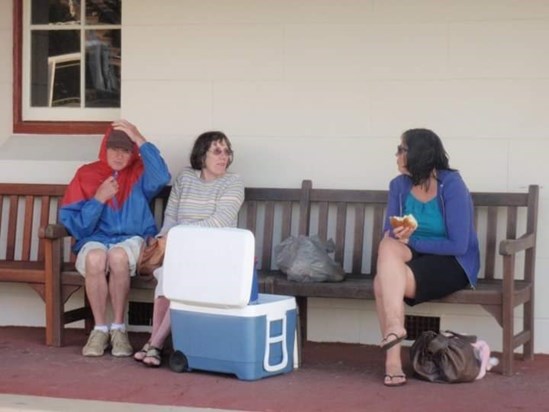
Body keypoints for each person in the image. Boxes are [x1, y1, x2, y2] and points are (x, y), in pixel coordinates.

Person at [373, 128, 480, 387]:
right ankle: (395, 329)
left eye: (402, 149)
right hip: (414, 253)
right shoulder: (398, 185)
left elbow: (458, 244)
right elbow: (391, 231)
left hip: (451, 261)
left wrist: (412, 240)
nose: (397, 155)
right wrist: (397, 233)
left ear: (418, 154)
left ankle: (393, 361)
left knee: (381, 283)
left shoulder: (451, 185)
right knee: (387, 243)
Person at [60, 119, 171, 357]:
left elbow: (162, 176)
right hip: (94, 239)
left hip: (131, 238)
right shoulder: (86, 174)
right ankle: (100, 329)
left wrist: (138, 136)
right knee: (96, 259)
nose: (119, 156)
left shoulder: (139, 171)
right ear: (104, 147)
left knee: (118, 256)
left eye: (125, 150)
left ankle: (119, 328)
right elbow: (76, 227)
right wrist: (98, 199)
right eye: (114, 149)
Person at [134, 131, 245, 367]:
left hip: (216, 253)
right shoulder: (185, 177)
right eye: (217, 151)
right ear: (201, 155)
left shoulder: (233, 182)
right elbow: (171, 214)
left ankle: (155, 343)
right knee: (167, 275)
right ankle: (156, 343)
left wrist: (178, 237)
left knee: (180, 278)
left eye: (227, 151)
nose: (223, 156)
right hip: (181, 250)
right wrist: (165, 237)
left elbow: (219, 222)